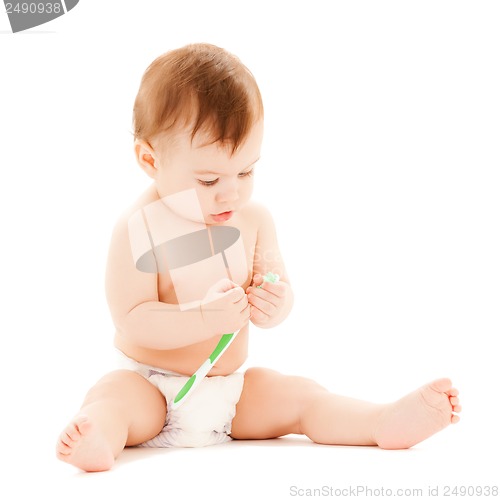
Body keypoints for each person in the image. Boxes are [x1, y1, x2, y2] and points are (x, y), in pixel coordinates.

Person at [56, 43, 461, 472]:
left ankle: (379, 422)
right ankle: (99, 437)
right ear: (150, 159)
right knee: (113, 396)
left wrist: (274, 303)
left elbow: (276, 287)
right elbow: (132, 319)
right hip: (152, 387)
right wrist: (204, 319)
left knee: (298, 395)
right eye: (209, 179)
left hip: (230, 393)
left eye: (246, 171)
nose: (231, 193)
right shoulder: (138, 229)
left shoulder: (253, 221)